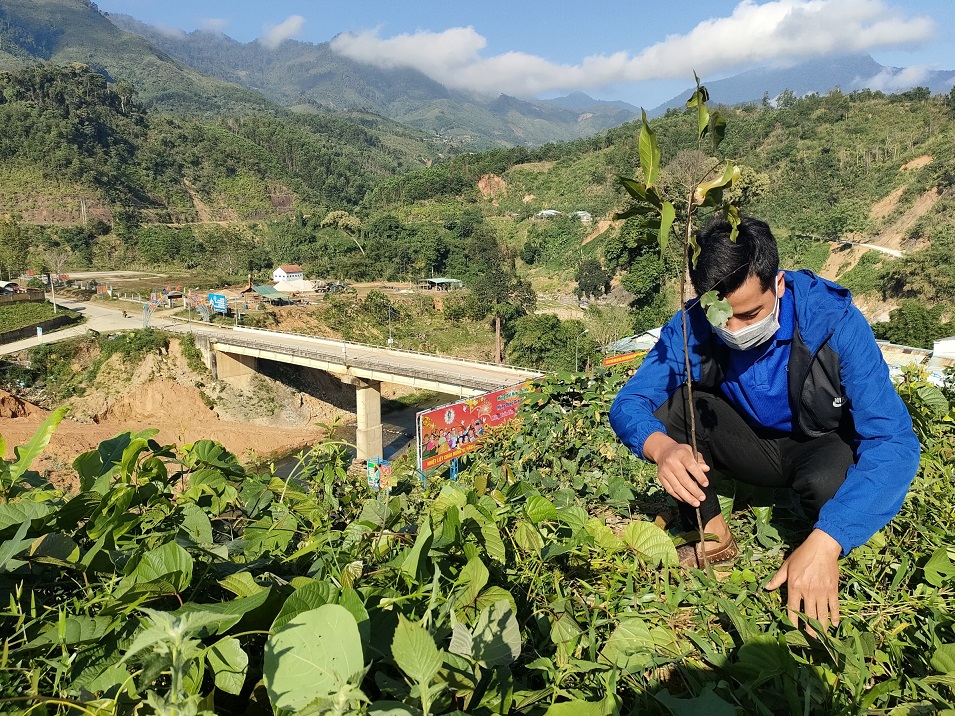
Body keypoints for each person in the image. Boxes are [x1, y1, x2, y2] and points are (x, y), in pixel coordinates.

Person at [608, 216, 920, 631]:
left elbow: (892, 439)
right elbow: (630, 402)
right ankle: (715, 537)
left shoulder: (833, 323)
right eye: (724, 317)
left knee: (831, 486)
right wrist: (662, 449)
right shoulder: (693, 327)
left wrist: (830, 538)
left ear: (779, 284)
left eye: (751, 312)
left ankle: (820, 539)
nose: (735, 329)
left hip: (819, 445)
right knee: (673, 409)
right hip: (746, 443)